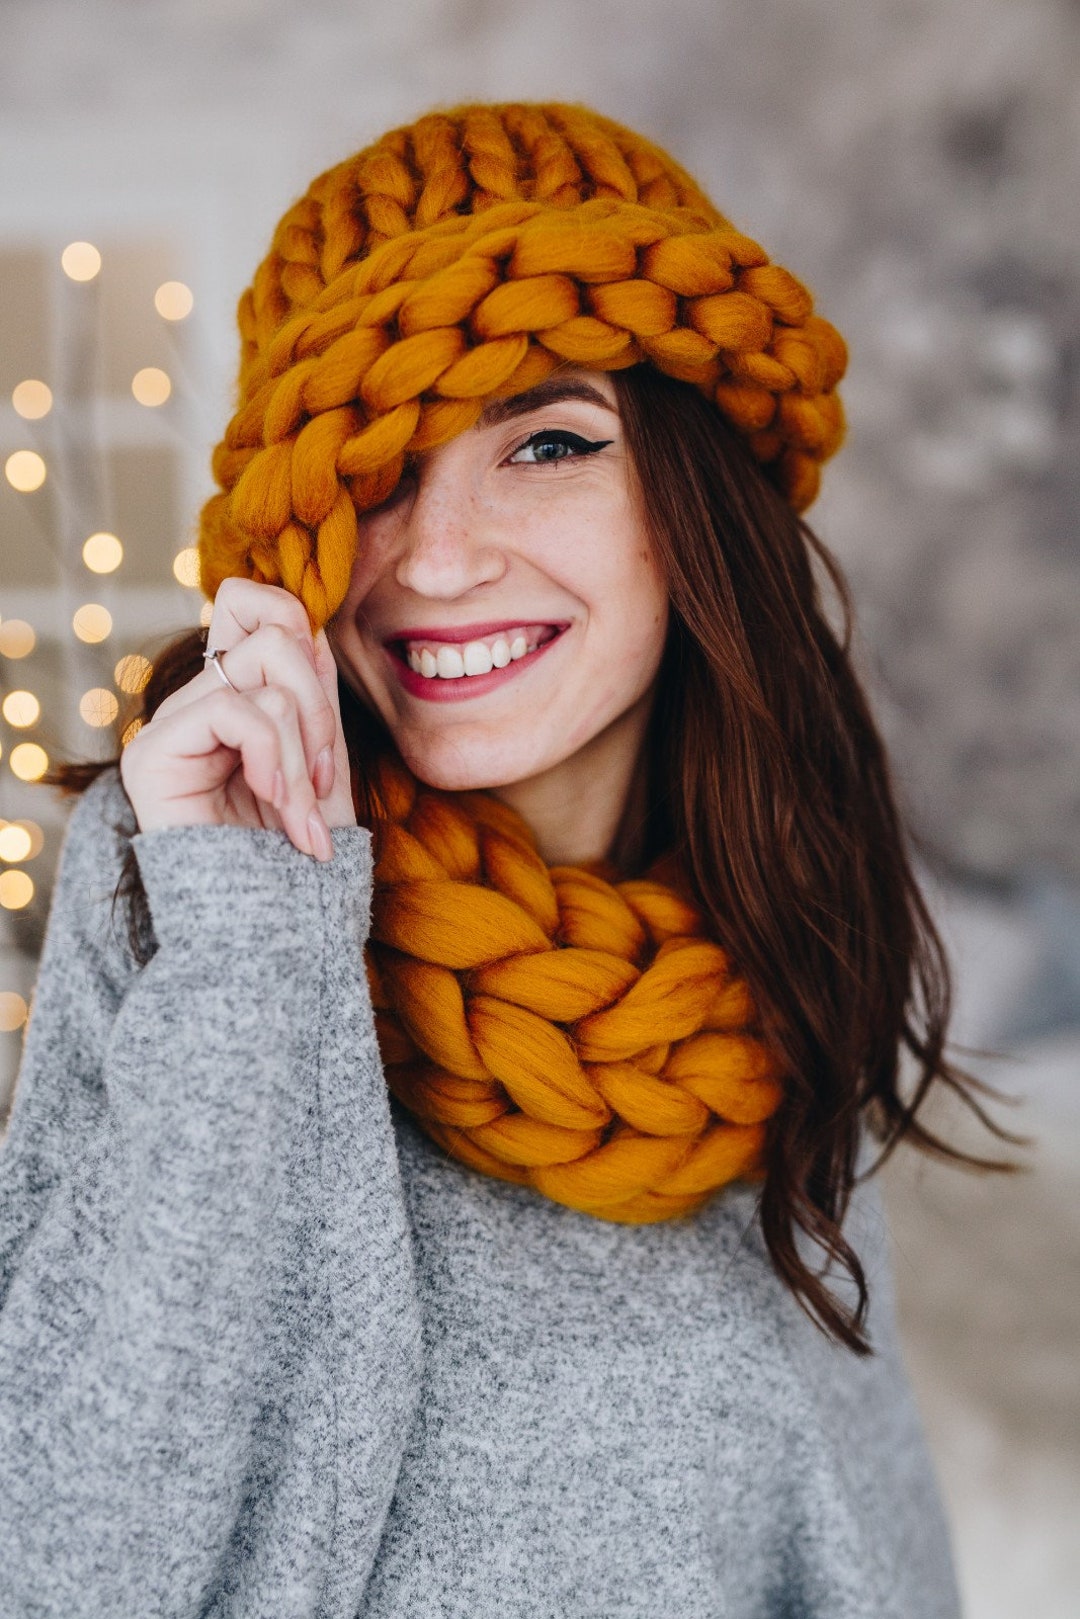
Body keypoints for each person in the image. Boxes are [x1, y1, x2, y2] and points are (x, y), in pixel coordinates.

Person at [0, 101, 1010, 1617]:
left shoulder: (780, 931)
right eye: (380, 469)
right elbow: (68, 1571)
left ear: (696, 503)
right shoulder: (184, 889)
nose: (437, 557)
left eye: (547, 441)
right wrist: (260, 944)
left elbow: (865, 1547)